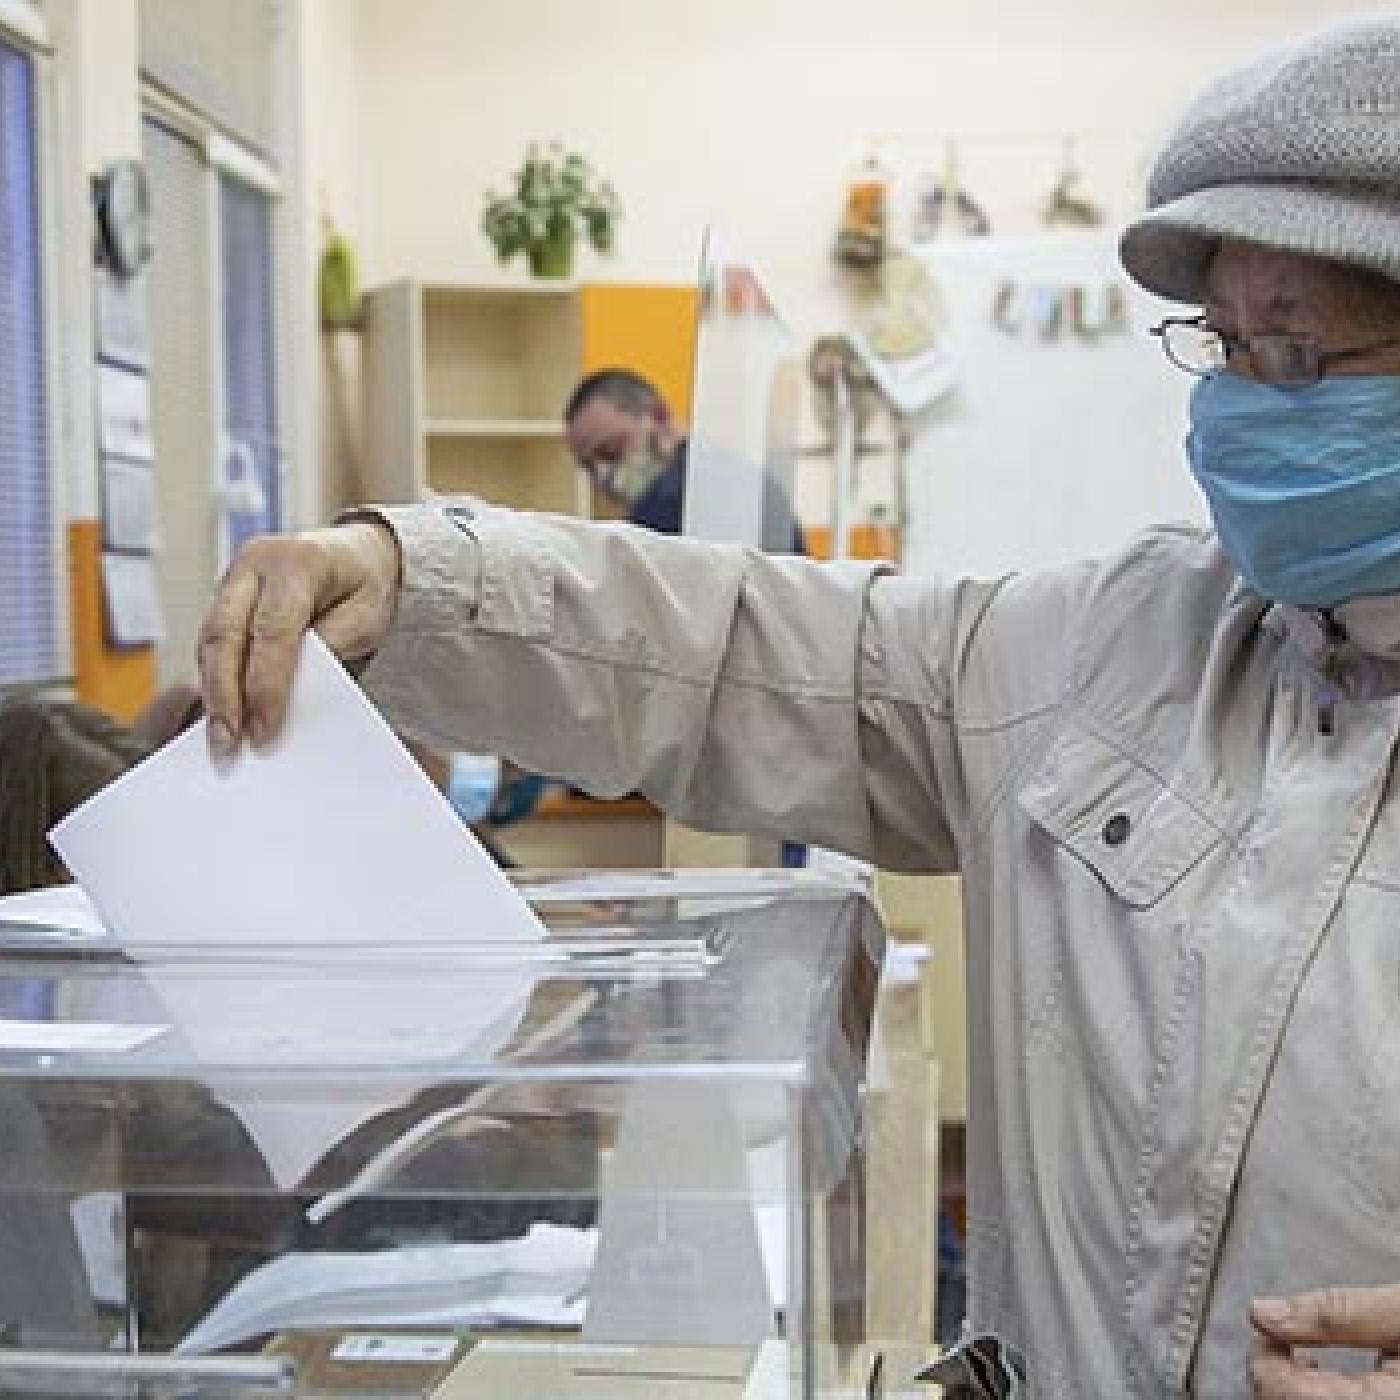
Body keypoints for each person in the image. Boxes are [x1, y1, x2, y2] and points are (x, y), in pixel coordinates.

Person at [198, 20, 1400, 1396]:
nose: (1245, 412)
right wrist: (413, 580)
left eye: (1300, 361)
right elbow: (744, 652)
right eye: (1226, 349)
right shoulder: (1116, 649)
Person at [563, 366, 807, 551]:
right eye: (589, 466)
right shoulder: (733, 472)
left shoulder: (671, 503)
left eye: (612, 451)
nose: (603, 475)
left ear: (658, 417)